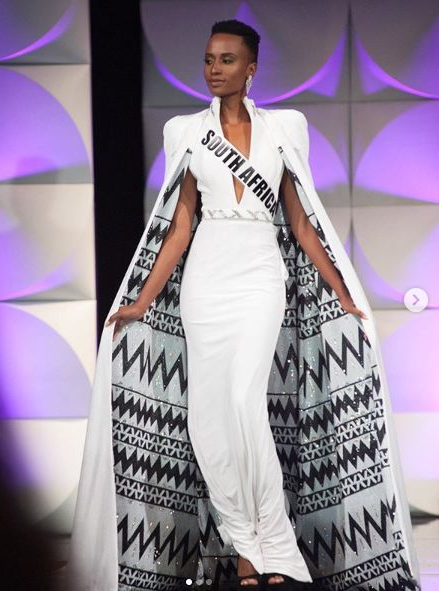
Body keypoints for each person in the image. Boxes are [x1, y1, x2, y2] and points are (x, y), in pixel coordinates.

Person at [66, 19, 421, 591]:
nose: (214, 69)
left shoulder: (286, 127)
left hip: (259, 275)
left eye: (227, 60)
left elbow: (300, 221)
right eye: (209, 59)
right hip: (205, 277)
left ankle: (275, 546)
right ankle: (245, 550)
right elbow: (179, 227)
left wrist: (342, 289)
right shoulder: (185, 131)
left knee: (243, 402)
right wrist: (142, 299)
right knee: (206, 421)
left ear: (250, 69)